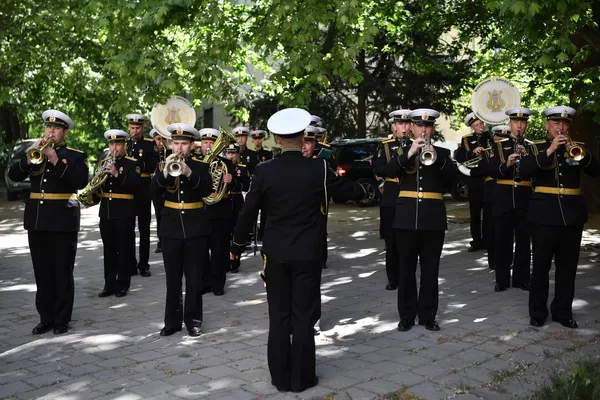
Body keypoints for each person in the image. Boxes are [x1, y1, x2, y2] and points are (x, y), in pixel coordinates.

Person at [230, 108, 366, 393]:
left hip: (276, 253)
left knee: (279, 316)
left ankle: (280, 377)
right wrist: (366, 188)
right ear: (302, 136)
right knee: (303, 316)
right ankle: (303, 379)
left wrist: (236, 246)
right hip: (308, 252)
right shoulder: (318, 168)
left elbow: (248, 212)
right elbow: (346, 190)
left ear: (278, 139)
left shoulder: (264, 170)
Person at [8, 110, 88, 335]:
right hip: (37, 221)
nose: (51, 131)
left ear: (64, 132)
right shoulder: (35, 152)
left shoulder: (75, 156)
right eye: (48, 128)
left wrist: (54, 158)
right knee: (41, 271)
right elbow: (13, 176)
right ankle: (46, 317)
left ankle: (61, 319)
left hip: (63, 221)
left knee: (62, 270)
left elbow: (80, 182)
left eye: (56, 128)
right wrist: (28, 157)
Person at [520, 106, 600, 329]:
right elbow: (524, 171)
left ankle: (563, 312)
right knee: (541, 268)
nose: (561, 127)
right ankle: (537, 312)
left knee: (567, 268)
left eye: (564, 124)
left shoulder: (578, 148)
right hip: (544, 216)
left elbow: (595, 170)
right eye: (556, 123)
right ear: (547, 125)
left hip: (572, 216)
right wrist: (550, 151)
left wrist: (581, 155)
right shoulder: (536, 148)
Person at [387, 108, 456, 332]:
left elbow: (452, 183)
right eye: (419, 126)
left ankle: (427, 316)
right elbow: (386, 170)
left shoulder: (443, 153)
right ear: (412, 127)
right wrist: (409, 153)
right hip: (406, 218)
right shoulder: (400, 151)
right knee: (406, 269)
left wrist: (435, 156)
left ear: (432, 129)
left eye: (427, 127)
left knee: (430, 269)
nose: (423, 130)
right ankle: (406, 315)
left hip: (433, 218)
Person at [150, 123, 213, 337]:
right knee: (172, 279)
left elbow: (206, 190)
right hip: (170, 227)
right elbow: (153, 191)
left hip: (195, 227)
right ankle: (172, 322)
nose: (179, 148)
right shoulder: (163, 166)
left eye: (183, 144)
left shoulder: (202, 166)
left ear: (192, 145)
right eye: (176, 143)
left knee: (194, 278)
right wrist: (166, 173)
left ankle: (193, 321)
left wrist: (188, 172)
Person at [488, 107, 534, 292]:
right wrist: (507, 164)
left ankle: (522, 279)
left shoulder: (532, 147)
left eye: (523, 123)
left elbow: (538, 172)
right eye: (516, 122)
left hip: (525, 196)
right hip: (503, 195)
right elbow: (490, 171)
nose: (519, 125)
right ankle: (502, 279)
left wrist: (527, 158)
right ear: (510, 124)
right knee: (502, 240)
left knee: (524, 240)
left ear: (526, 125)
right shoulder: (499, 146)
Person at [97, 130, 141, 298]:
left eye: (118, 144)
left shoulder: (133, 163)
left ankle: (122, 284)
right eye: (111, 144)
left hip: (124, 212)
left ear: (125, 145)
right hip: (106, 211)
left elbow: (134, 186)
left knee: (123, 249)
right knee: (108, 249)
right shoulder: (104, 162)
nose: (114, 147)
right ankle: (109, 284)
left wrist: (116, 173)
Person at [198, 128, 241, 296]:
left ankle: (218, 283)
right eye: (205, 142)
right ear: (201, 144)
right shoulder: (196, 162)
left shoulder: (227, 163)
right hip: (201, 212)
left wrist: (231, 182)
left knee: (219, 250)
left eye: (212, 143)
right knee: (201, 251)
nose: (208, 146)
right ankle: (204, 282)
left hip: (220, 212)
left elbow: (239, 186)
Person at [373, 109, 412, 291]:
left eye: (406, 124)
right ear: (394, 127)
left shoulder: (416, 144)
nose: (403, 127)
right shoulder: (385, 145)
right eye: (400, 124)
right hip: (391, 195)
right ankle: (393, 277)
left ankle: (406, 274)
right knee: (391, 240)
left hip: (409, 194)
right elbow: (379, 169)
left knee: (409, 239)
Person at [126, 113, 159, 277]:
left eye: (138, 128)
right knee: (128, 228)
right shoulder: (124, 143)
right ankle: (130, 264)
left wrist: (138, 164)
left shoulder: (149, 144)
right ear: (128, 127)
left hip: (144, 189)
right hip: (127, 190)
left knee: (144, 229)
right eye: (132, 128)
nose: (135, 131)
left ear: (143, 127)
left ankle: (144, 265)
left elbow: (154, 165)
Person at [455, 112, 492, 252]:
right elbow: (459, 157)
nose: (480, 127)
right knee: (475, 213)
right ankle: (476, 241)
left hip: (488, 178)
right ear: (472, 127)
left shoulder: (491, 136)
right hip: (474, 179)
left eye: (481, 123)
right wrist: (472, 152)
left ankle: (488, 240)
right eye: (476, 125)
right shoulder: (467, 139)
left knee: (489, 212)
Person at [224, 143, 250, 273]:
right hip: (224, 200)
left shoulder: (242, 168)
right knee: (225, 231)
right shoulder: (221, 167)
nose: (231, 155)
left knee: (236, 230)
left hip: (237, 200)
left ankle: (235, 260)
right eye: (229, 153)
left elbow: (246, 186)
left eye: (233, 153)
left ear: (238, 154)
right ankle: (225, 259)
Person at [151, 128, 171, 254]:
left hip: (168, 187)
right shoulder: (151, 153)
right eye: (159, 139)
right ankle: (161, 241)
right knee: (159, 214)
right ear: (154, 139)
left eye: (164, 139)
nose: (161, 142)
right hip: (156, 188)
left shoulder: (170, 152)